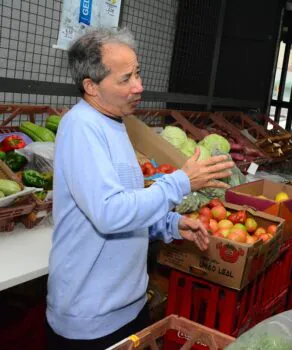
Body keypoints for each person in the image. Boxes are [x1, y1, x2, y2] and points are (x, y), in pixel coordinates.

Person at [45, 28, 234, 349]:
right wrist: (181, 182)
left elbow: (127, 202)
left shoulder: (116, 122)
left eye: (138, 73)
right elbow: (108, 213)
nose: (139, 86)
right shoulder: (80, 128)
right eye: (125, 79)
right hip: (91, 318)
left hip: (128, 306)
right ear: (91, 86)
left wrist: (169, 224)